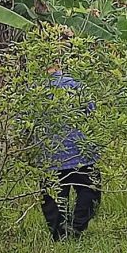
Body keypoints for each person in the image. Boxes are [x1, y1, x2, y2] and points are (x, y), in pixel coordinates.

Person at [42, 69, 101, 241]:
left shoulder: (34, 90)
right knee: (89, 191)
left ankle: (60, 235)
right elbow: (91, 111)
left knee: (54, 197)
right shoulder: (75, 84)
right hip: (80, 152)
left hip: (49, 156)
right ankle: (77, 229)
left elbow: (23, 124)